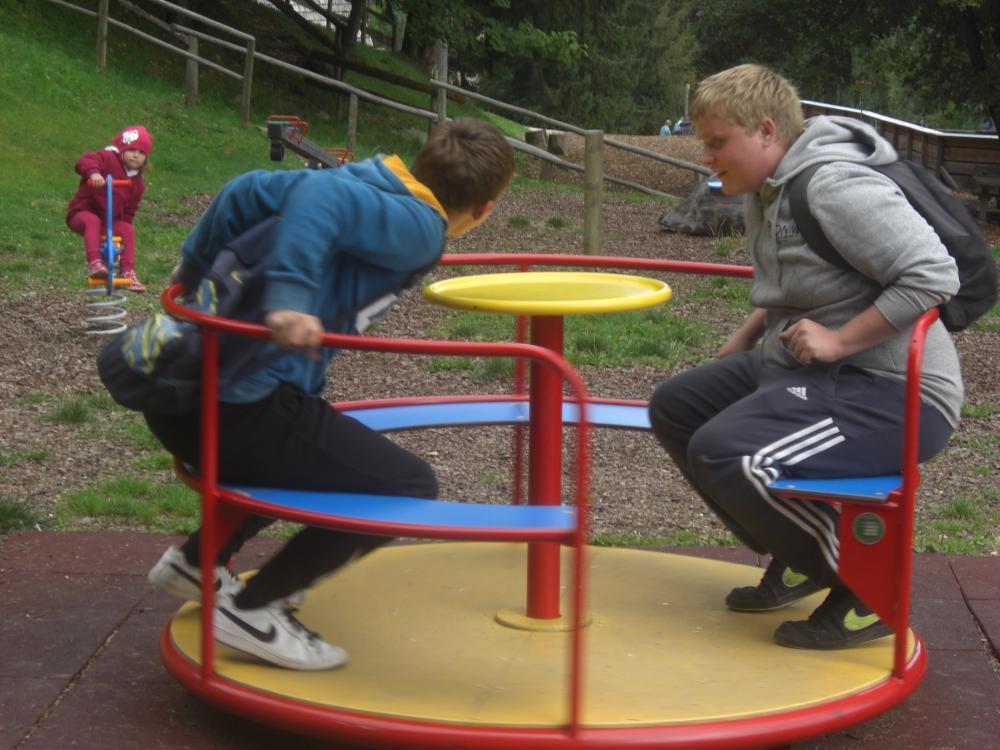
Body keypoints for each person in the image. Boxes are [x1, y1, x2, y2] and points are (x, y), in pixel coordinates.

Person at [144, 117, 515, 671]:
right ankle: (254, 610)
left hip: (183, 388)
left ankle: (197, 565)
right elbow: (322, 201)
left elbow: (243, 188)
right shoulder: (421, 225)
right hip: (234, 409)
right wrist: (288, 299)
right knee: (405, 486)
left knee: (315, 453)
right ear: (484, 209)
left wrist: (195, 274)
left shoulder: (366, 179)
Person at [648, 64, 962, 650]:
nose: (707, 157)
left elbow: (933, 275)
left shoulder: (834, 185)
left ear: (766, 131)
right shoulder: (767, 190)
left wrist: (840, 341)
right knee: (676, 407)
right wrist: (747, 333)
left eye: (718, 142)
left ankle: (869, 588)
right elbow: (802, 282)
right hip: (813, 369)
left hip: (892, 389)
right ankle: (798, 555)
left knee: (727, 453)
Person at [66, 126, 151, 292]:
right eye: (132, 150)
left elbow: (128, 213)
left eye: (141, 153)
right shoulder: (107, 158)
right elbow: (84, 160)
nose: (136, 155)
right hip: (81, 214)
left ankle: (127, 272)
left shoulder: (137, 184)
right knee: (93, 220)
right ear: (122, 149)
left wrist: (119, 243)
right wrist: (93, 173)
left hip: (108, 223)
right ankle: (95, 263)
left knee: (127, 229)